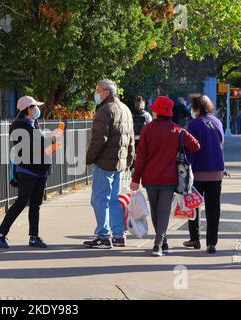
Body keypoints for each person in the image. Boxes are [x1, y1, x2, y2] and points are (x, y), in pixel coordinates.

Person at [130, 96, 200, 256]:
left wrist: (135, 179)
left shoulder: (147, 129)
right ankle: (160, 242)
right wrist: (181, 149)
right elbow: (196, 145)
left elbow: (141, 157)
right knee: (163, 210)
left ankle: (160, 241)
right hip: (169, 178)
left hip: (150, 177)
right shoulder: (177, 130)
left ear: (157, 111)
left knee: (155, 210)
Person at [0, 96, 55, 249]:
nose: (37, 110)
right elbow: (31, 146)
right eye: (35, 107)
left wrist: (52, 143)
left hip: (40, 170)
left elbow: (42, 147)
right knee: (21, 203)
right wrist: (51, 139)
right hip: (27, 170)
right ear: (28, 109)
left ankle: (34, 237)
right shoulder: (19, 126)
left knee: (36, 204)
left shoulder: (34, 123)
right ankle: (0, 234)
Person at [84, 79, 135, 249]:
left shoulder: (104, 110)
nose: (96, 93)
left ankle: (103, 236)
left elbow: (99, 139)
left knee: (99, 199)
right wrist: (129, 159)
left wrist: (88, 158)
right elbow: (130, 139)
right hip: (119, 162)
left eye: (98, 90)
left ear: (106, 92)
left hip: (105, 162)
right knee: (114, 200)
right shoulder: (125, 109)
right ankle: (119, 235)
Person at [183, 94, 225, 254]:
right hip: (216, 172)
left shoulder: (194, 124)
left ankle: (195, 238)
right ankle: (212, 243)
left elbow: (190, 148)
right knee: (213, 208)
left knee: (193, 205)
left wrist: (186, 166)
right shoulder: (217, 122)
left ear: (197, 108)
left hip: (198, 171)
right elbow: (220, 146)